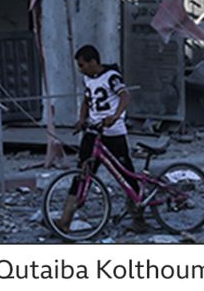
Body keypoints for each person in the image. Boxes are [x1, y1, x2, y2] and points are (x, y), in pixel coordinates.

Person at [56, 45, 148, 234]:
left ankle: (139, 216)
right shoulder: (88, 79)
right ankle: (65, 220)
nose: (80, 69)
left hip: (113, 132)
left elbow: (125, 95)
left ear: (93, 62)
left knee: (126, 174)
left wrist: (115, 116)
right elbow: (87, 100)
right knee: (82, 172)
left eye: (82, 65)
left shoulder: (112, 76)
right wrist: (82, 120)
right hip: (93, 131)